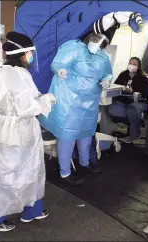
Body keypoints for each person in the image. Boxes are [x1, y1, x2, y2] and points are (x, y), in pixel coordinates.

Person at [0, 31, 56, 232]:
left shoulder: (5, 71)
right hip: (16, 130)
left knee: (14, 172)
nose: (31, 57)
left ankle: (30, 210)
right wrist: (48, 99)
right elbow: (26, 108)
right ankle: (0, 218)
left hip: (6, 128)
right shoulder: (16, 75)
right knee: (15, 172)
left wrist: (39, 99)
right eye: (30, 53)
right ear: (22, 53)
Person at [39, 23, 119, 186]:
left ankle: (84, 163)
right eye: (98, 42)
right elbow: (58, 63)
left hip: (89, 102)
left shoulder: (103, 56)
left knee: (86, 134)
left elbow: (107, 72)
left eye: (103, 45)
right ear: (91, 36)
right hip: (70, 101)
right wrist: (60, 69)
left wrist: (106, 80)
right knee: (68, 137)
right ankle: (65, 172)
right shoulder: (73, 48)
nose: (98, 47)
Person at [107, 57, 148, 143]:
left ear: (138, 67)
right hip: (123, 100)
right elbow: (116, 86)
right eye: (130, 63)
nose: (131, 66)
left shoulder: (143, 78)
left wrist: (133, 91)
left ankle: (133, 135)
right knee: (110, 107)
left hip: (138, 102)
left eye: (134, 64)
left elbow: (146, 94)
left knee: (132, 110)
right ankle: (132, 123)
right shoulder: (123, 75)